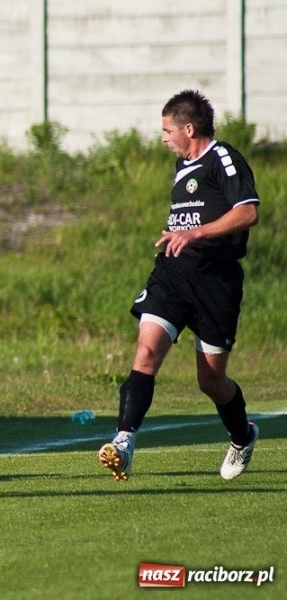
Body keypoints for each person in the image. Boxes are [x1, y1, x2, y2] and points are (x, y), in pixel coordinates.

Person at [98, 90, 261, 482]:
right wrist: (180, 236)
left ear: (189, 129)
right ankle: (124, 442)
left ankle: (243, 435)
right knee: (145, 354)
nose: (163, 138)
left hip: (216, 281)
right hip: (172, 274)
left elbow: (248, 212)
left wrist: (196, 233)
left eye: (167, 130)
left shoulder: (223, 158)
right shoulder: (181, 165)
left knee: (211, 381)